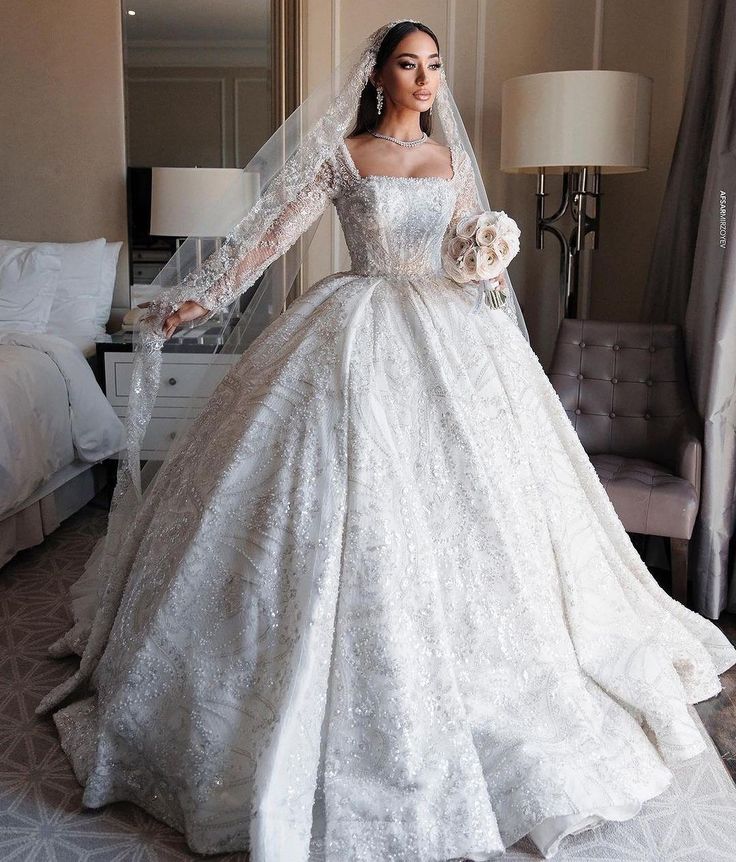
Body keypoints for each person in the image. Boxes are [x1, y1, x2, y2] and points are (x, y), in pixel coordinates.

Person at [35, 19, 736, 862]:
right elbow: (269, 235)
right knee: (324, 492)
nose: (426, 79)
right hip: (356, 322)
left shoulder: (450, 161)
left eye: (435, 65)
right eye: (410, 65)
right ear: (380, 75)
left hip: (449, 336)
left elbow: (468, 252)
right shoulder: (345, 152)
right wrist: (197, 299)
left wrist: (482, 259)